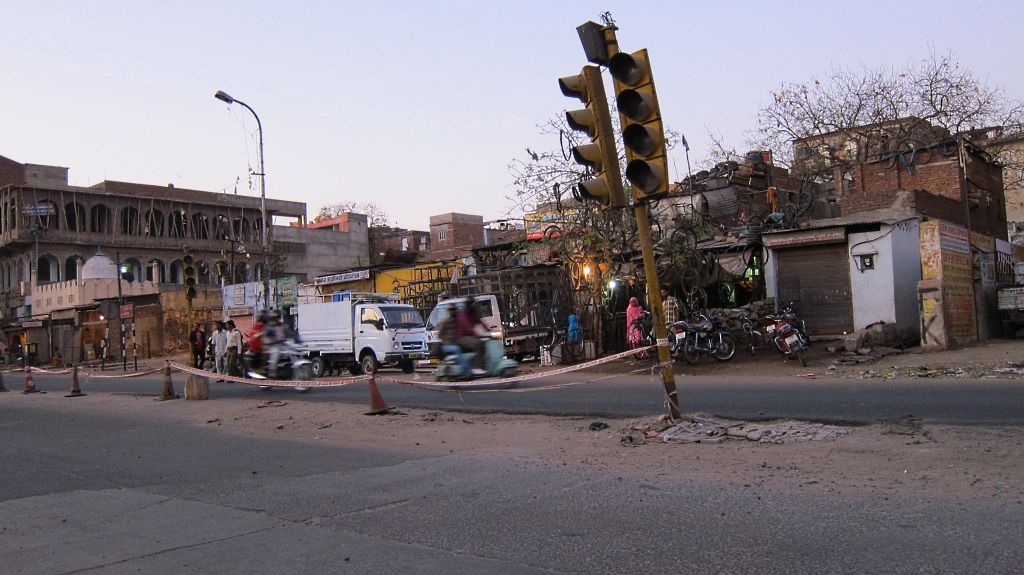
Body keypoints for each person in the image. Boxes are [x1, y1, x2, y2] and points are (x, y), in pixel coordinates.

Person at [455, 297, 488, 375]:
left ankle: (486, 365)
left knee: (486, 343)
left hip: (470, 336)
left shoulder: (474, 313)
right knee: (479, 344)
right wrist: (476, 334)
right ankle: (478, 367)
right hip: (462, 337)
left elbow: (480, 322)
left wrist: (489, 331)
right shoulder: (463, 314)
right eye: (473, 304)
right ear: (469, 305)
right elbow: (468, 326)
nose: (475, 306)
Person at [437, 312, 471, 377]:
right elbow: (439, 335)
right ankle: (466, 370)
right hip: (445, 345)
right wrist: (446, 342)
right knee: (457, 349)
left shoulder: (456, 322)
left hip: (453, 342)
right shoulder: (446, 322)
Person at [264, 312, 286, 377]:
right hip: (273, 345)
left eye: (278, 317)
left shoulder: (282, 325)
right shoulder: (269, 327)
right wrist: (272, 341)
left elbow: (289, 333)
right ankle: (272, 370)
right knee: (275, 353)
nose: (278, 318)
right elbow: (265, 336)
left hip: (283, 344)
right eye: (276, 317)